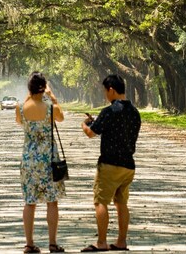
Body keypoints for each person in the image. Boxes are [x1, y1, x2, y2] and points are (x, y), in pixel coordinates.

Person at [79, 75, 141, 252]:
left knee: (101, 202)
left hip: (109, 164)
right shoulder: (135, 112)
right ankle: (121, 241)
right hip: (128, 165)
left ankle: (101, 243)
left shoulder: (109, 111)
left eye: (105, 91)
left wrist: (84, 124)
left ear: (111, 90)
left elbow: (91, 133)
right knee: (121, 203)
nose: (105, 94)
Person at [16, 72, 67, 253]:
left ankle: (29, 244)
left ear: (29, 88)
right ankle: (52, 243)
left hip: (29, 159)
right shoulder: (50, 108)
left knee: (30, 202)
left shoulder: (20, 107)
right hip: (48, 159)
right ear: (44, 88)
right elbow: (61, 118)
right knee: (52, 201)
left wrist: (29, 96)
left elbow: (19, 121)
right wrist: (52, 97)